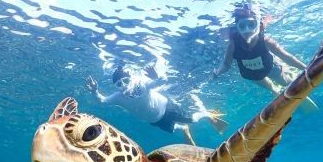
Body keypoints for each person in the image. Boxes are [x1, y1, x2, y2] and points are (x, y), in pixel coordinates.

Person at [86, 62, 227, 145]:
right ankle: (184, 128)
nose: (124, 86)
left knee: (193, 120)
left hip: (168, 108)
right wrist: (94, 91)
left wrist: (156, 76)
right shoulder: (118, 97)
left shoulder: (142, 84)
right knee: (174, 129)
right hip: (155, 120)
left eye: (126, 81)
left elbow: (163, 81)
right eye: (119, 84)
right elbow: (102, 101)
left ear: (132, 79)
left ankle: (206, 114)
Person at [212, 1, 318, 110]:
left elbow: (286, 57)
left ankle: (296, 93)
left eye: (251, 25)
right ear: (238, 29)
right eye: (242, 26)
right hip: (251, 74)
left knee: (286, 82)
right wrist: (218, 72)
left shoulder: (265, 41)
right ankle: (276, 93)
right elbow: (226, 64)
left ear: (258, 25)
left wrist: (306, 68)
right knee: (271, 88)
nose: (247, 30)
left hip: (270, 68)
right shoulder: (233, 45)